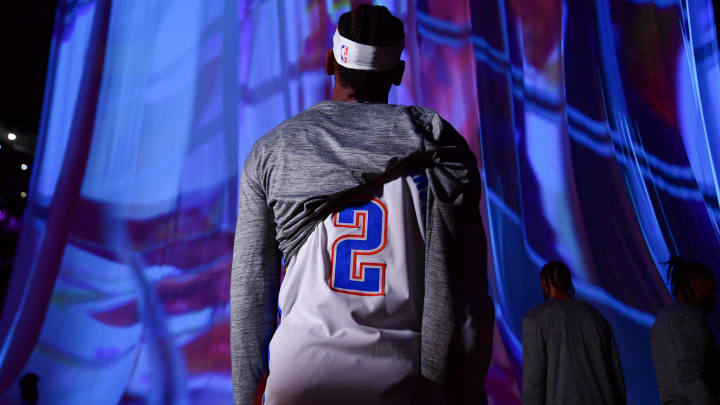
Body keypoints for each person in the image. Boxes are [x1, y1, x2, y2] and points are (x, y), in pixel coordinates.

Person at [230, 5, 494, 405]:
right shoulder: (442, 152)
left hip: (298, 381)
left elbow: (251, 294)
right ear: (398, 73)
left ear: (329, 62)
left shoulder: (272, 153)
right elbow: (467, 293)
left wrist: (247, 395)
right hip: (402, 384)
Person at [522, 261, 626, 405]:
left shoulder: (535, 320)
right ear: (568, 281)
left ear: (544, 283)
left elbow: (533, 383)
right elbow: (617, 379)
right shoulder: (596, 317)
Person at [651, 257, 719, 405]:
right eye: (710, 290)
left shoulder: (662, 318)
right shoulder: (691, 317)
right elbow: (689, 373)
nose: (713, 297)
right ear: (696, 284)